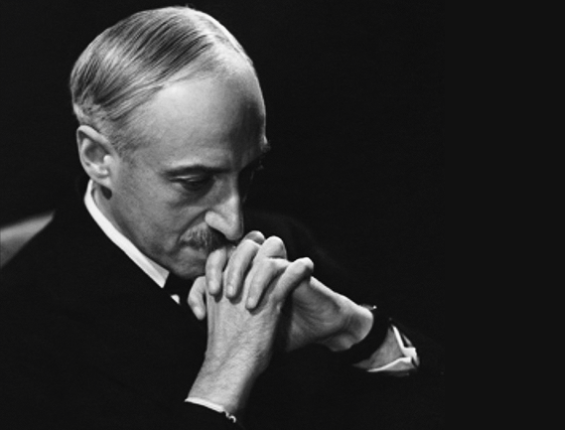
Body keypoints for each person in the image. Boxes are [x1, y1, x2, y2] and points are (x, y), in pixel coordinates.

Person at [0, 6, 443, 430]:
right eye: (195, 182)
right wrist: (225, 376)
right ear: (98, 157)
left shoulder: (284, 243)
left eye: (248, 173)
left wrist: (355, 330)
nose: (233, 224)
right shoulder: (19, 326)